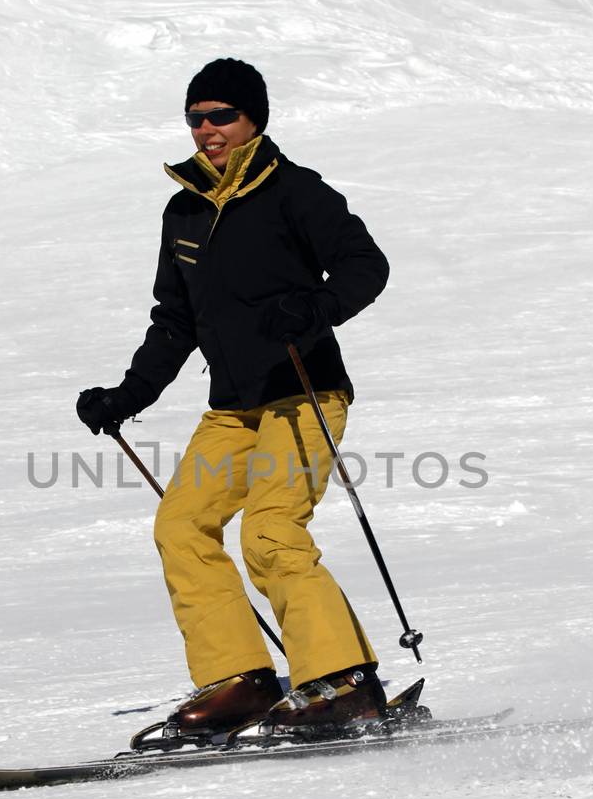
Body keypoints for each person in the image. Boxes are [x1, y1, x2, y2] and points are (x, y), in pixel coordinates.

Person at [76, 58, 390, 741]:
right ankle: (240, 680)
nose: (207, 130)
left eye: (222, 116)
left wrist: (314, 309)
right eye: (195, 117)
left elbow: (367, 266)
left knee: (272, 531)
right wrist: (126, 395)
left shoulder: (294, 191)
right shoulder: (184, 210)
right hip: (232, 405)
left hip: (303, 391)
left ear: (254, 120)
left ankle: (344, 683)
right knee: (180, 524)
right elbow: (176, 321)